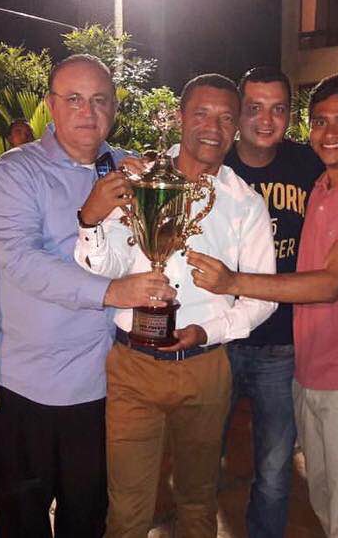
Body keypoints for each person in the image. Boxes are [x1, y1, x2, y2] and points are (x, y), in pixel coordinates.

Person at [188, 73, 338, 537]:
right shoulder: (318, 184)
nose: (330, 133)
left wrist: (234, 281)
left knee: (319, 495)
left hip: (329, 363)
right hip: (269, 353)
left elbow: (332, 283)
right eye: (320, 121)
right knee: (318, 495)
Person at [74, 73, 276, 537]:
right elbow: (103, 265)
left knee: (199, 502)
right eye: (201, 113)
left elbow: (262, 294)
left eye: (226, 118)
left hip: (205, 367)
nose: (213, 127)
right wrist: (91, 221)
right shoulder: (138, 179)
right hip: (133, 366)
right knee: (127, 511)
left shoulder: (245, 203)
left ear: (237, 127)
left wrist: (209, 330)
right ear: (181, 117)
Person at [0, 54, 172, 537]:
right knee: (22, 522)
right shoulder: (16, 171)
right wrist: (111, 291)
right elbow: (21, 261)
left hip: (104, 384)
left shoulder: (130, 168)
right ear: (50, 105)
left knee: (87, 519)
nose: (88, 112)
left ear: (114, 107)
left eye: (99, 100)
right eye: (73, 99)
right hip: (28, 385)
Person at [218, 66, 323, 538]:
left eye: (278, 109)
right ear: (238, 112)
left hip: (282, 342)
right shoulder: (215, 164)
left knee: (276, 469)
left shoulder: (309, 165)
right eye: (254, 108)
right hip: (219, 338)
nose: (266, 120)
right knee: (202, 460)